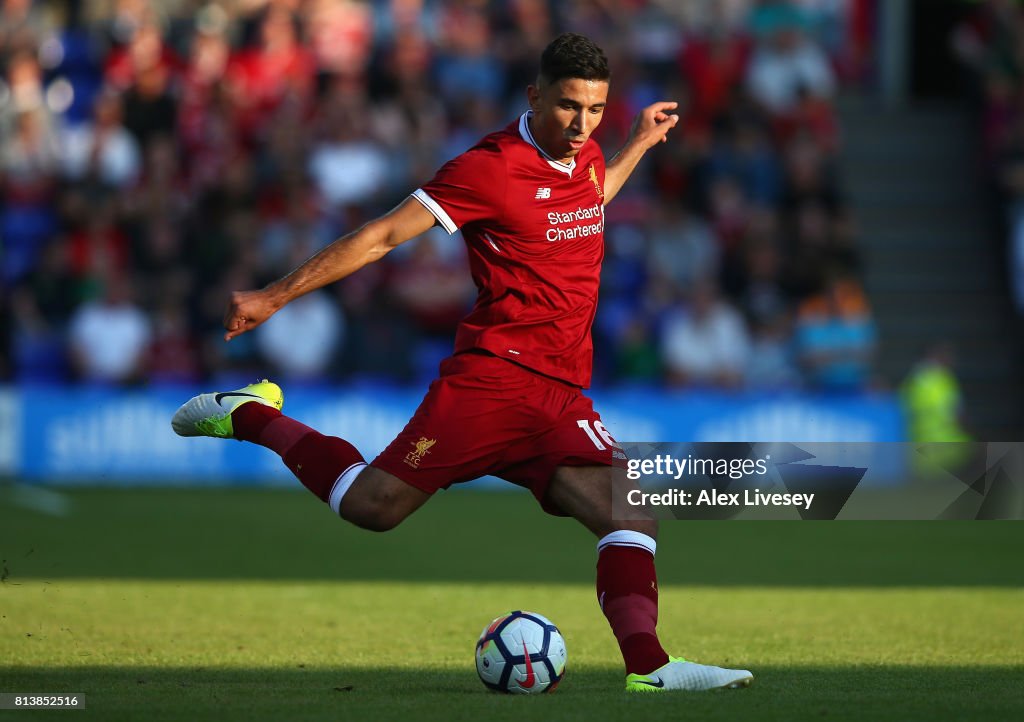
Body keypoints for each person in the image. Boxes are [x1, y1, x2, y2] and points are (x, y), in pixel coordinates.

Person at [172, 33, 753, 693]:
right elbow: (382, 236)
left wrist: (638, 144)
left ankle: (650, 669)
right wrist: (274, 296)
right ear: (534, 96)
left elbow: (589, 200)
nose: (581, 124)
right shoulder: (488, 169)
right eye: (567, 107)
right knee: (373, 508)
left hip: (560, 394)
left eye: (594, 110)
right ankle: (249, 415)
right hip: (495, 383)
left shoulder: (587, 154)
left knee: (629, 515)